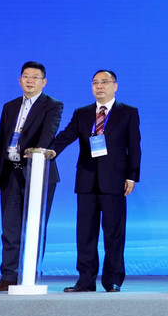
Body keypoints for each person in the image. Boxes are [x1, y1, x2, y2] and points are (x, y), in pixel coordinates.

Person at [49, 69, 141, 293]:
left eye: (104, 82)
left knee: (114, 233)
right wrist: (48, 151)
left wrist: (132, 175)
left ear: (115, 86)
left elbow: (134, 146)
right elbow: (66, 136)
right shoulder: (82, 113)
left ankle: (113, 280)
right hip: (86, 179)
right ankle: (85, 280)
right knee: (85, 234)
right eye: (95, 82)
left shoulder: (128, 112)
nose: (99, 86)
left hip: (115, 180)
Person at [0, 62, 63, 292]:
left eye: (35, 77)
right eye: (26, 76)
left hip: (37, 173)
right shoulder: (10, 106)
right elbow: (1, 141)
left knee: (35, 227)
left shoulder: (53, 105)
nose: (30, 80)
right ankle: (8, 277)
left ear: (43, 82)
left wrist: (36, 153)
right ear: (20, 80)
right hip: (10, 172)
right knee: (9, 228)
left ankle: (31, 275)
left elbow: (48, 134)